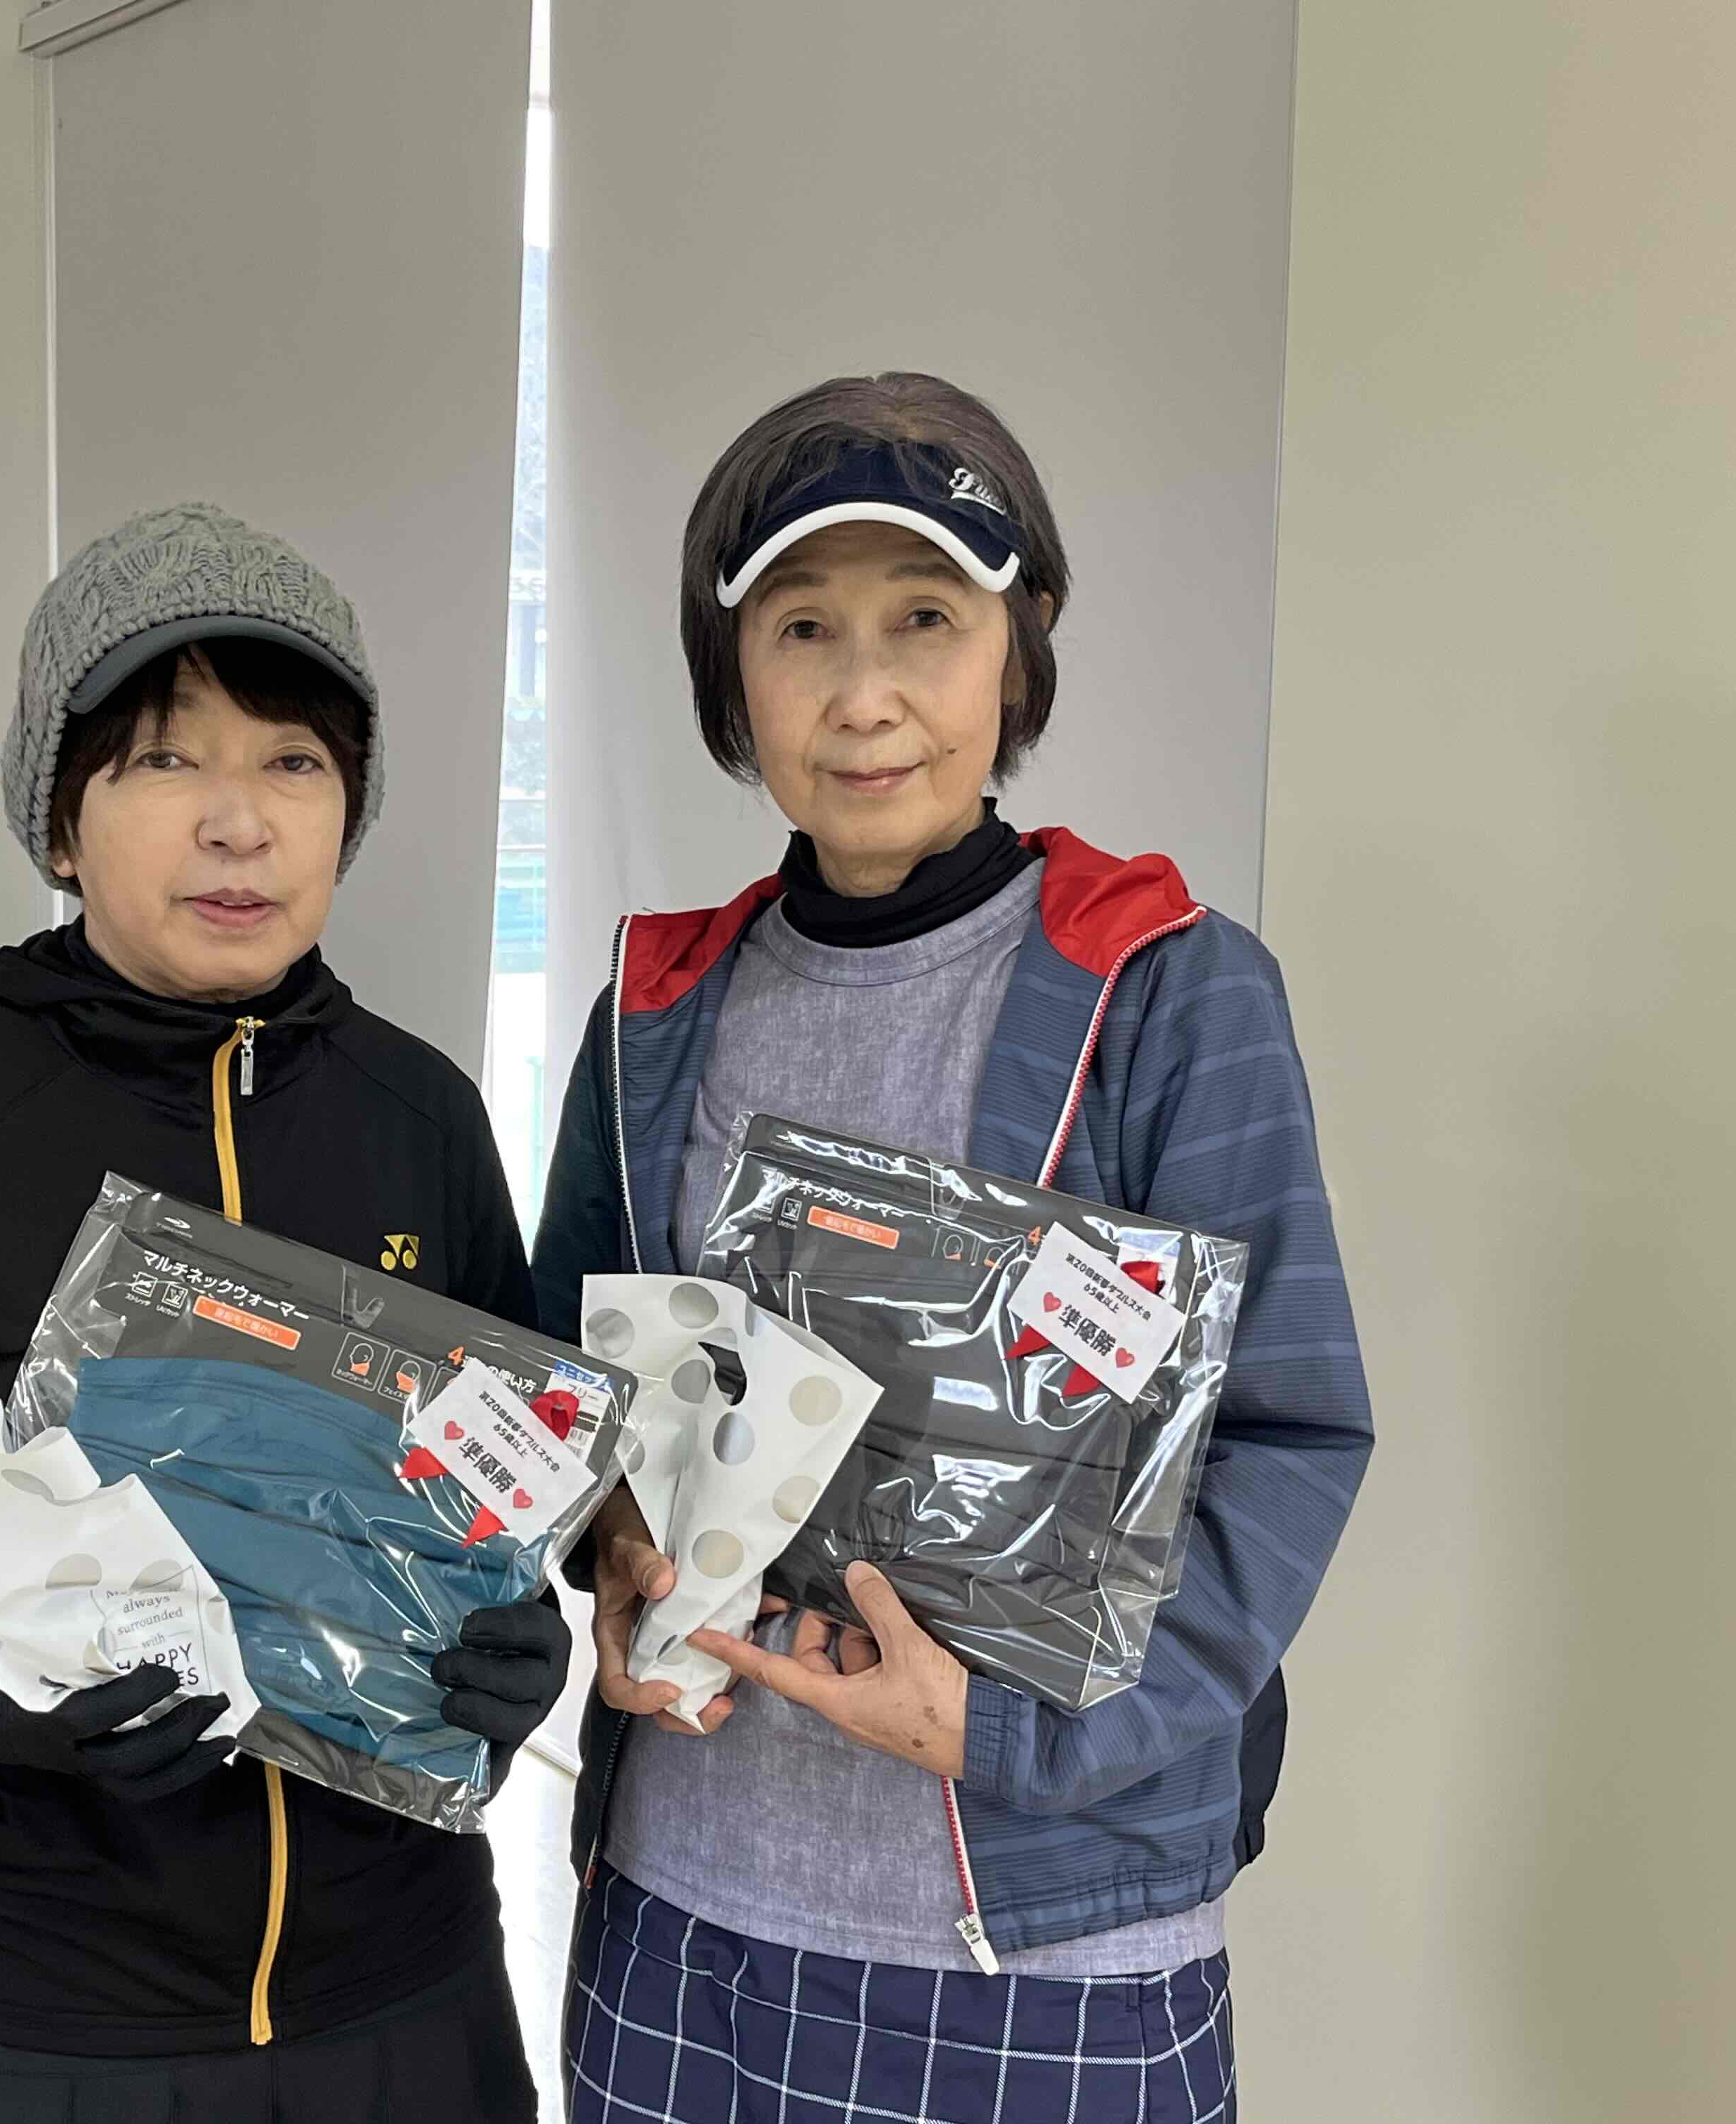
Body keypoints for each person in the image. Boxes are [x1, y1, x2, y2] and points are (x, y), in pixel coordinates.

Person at [533, 376, 1374, 2121]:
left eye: (926, 618)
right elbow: (573, 1396)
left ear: (1021, 640)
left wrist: (1010, 1737)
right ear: (729, 671)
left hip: (1039, 1946)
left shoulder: (1166, 990)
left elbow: (1288, 1437)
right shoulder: (658, 1009)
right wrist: (605, 1548)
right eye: (802, 629)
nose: (865, 696)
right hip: (682, 1906)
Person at [0, 501, 567, 2123]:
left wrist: (524, 1639)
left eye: (294, 762)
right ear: (61, 819)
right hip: (36, 1996)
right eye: (167, 760)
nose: (239, 824)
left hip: (397, 1976)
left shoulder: (423, 1117)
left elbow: (498, 1486)